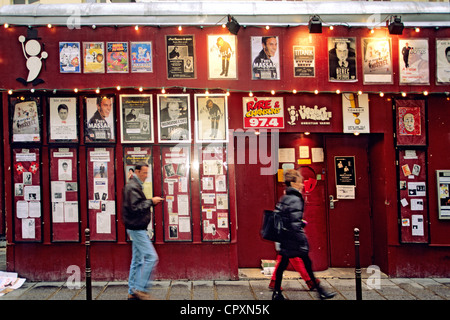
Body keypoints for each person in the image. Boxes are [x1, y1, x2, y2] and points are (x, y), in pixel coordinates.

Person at [272, 169, 335, 300]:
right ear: (293, 183)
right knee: (306, 263)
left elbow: (283, 217)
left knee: (282, 266)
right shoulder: (295, 199)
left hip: (286, 239)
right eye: (300, 182)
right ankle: (320, 291)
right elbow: (294, 223)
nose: (301, 185)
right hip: (294, 240)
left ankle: (277, 293)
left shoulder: (285, 197)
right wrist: (302, 239)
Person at [122, 162, 164, 300]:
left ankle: (131, 291)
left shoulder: (133, 185)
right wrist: (151, 201)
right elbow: (135, 207)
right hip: (137, 228)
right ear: (137, 172)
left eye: (147, 173)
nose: (146, 176)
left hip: (136, 227)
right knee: (152, 257)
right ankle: (141, 289)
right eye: (144, 173)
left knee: (137, 261)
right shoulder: (132, 187)